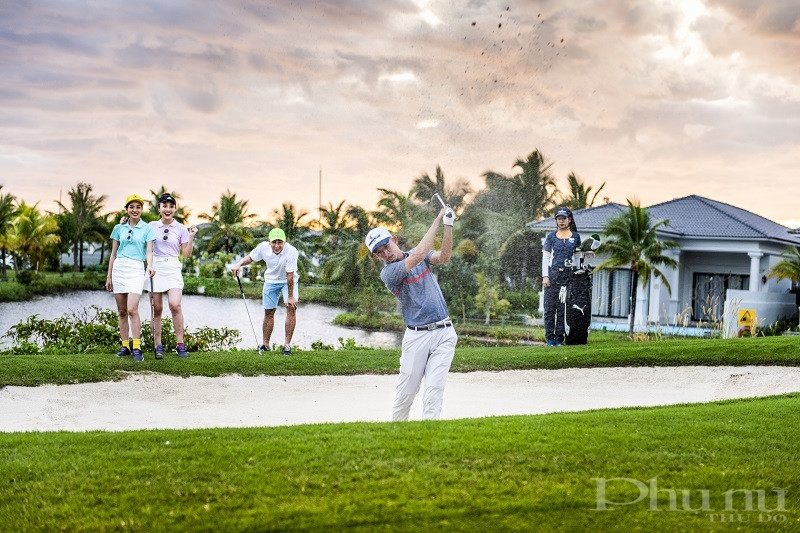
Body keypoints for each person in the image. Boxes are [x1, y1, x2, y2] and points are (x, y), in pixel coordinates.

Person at [365, 206, 456, 421]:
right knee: (406, 393)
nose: (385, 253)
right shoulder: (389, 273)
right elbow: (421, 253)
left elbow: (444, 257)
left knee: (434, 391)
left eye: (385, 246)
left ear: (394, 240)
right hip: (417, 336)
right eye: (378, 252)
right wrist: (438, 218)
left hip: (444, 332)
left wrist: (448, 225)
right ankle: (397, 434)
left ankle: (427, 437)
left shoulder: (417, 255)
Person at [144, 193, 198, 358]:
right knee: (157, 308)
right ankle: (158, 345)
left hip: (173, 267)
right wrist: (124, 224)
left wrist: (191, 237)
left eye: (171, 206)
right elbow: (144, 242)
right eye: (164, 206)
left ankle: (180, 344)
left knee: (175, 305)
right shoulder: (151, 226)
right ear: (159, 208)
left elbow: (186, 254)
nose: (168, 209)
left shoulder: (181, 228)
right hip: (156, 267)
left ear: (175, 208)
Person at [230, 228, 299, 355]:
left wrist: (290, 297)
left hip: (288, 281)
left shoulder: (292, 251)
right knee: (269, 312)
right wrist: (238, 264)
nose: (277, 246)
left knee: (291, 308)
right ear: (269, 242)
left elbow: (290, 275)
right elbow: (250, 258)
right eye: (274, 242)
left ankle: (287, 345)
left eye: (280, 242)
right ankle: (265, 345)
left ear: (285, 242)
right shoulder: (262, 247)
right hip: (271, 281)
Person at [105, 194, 156, 362]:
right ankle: (125, 346)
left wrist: (150, 265)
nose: (135, 210)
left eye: (138, 207)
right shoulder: (118, 228)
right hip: (119, 268)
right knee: (121, 311)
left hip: (135, 268)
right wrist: (109, 276)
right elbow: (113, 254)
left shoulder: (147, 228)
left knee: (132, 309)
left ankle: (137, 347)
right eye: (131, 207)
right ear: (126, 209)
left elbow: (149, 252)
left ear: (142, 209)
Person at [542, 206, 581, 346]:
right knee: (549, 308)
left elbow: (577, 258)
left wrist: (577, 274)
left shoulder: (575, 237)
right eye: (559, 219)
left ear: (569, 220)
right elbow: (545, 258)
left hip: (568, 276)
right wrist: (545, 276)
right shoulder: (551, 237)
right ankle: (550, 338)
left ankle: (560, 338)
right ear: (556, 220)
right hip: (552, 275)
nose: (561, 221)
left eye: (564, 218)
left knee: (563, 309)